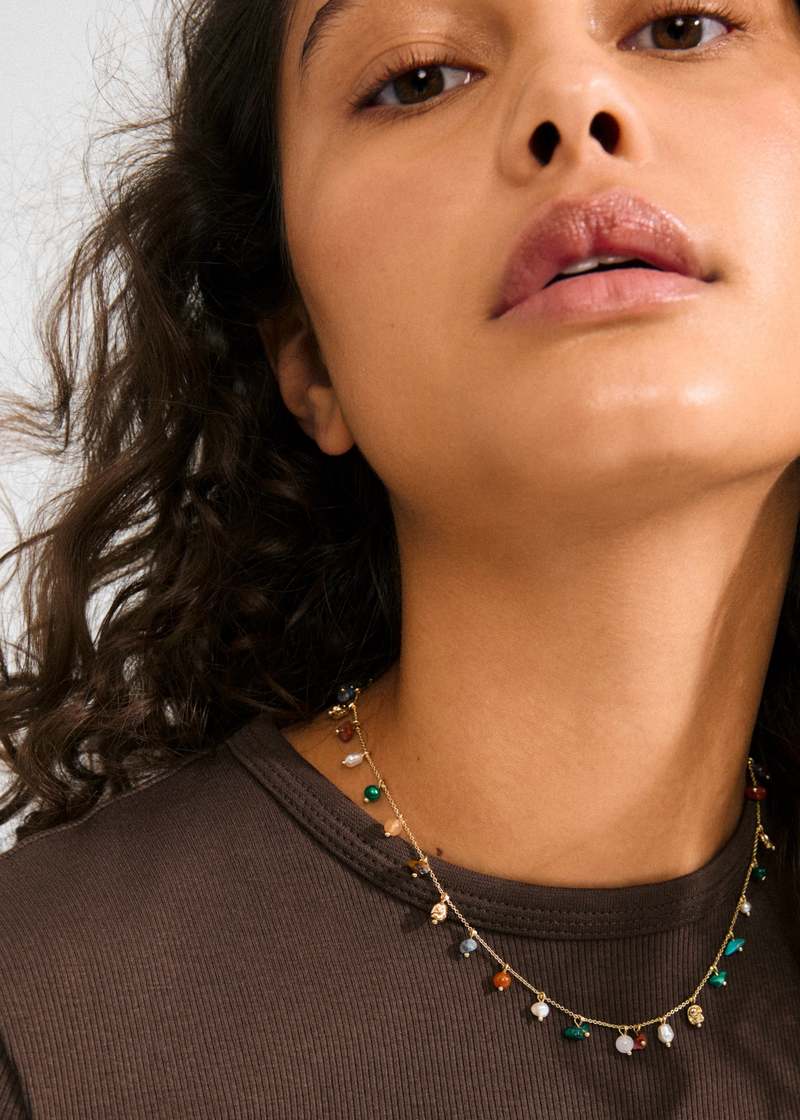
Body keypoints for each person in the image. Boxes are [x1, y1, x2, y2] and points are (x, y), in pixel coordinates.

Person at [0, 0, 799, 1115]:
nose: (573, 101)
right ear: (305, 357)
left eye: (678, 26)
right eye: (419, 78)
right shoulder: (45, 1026)